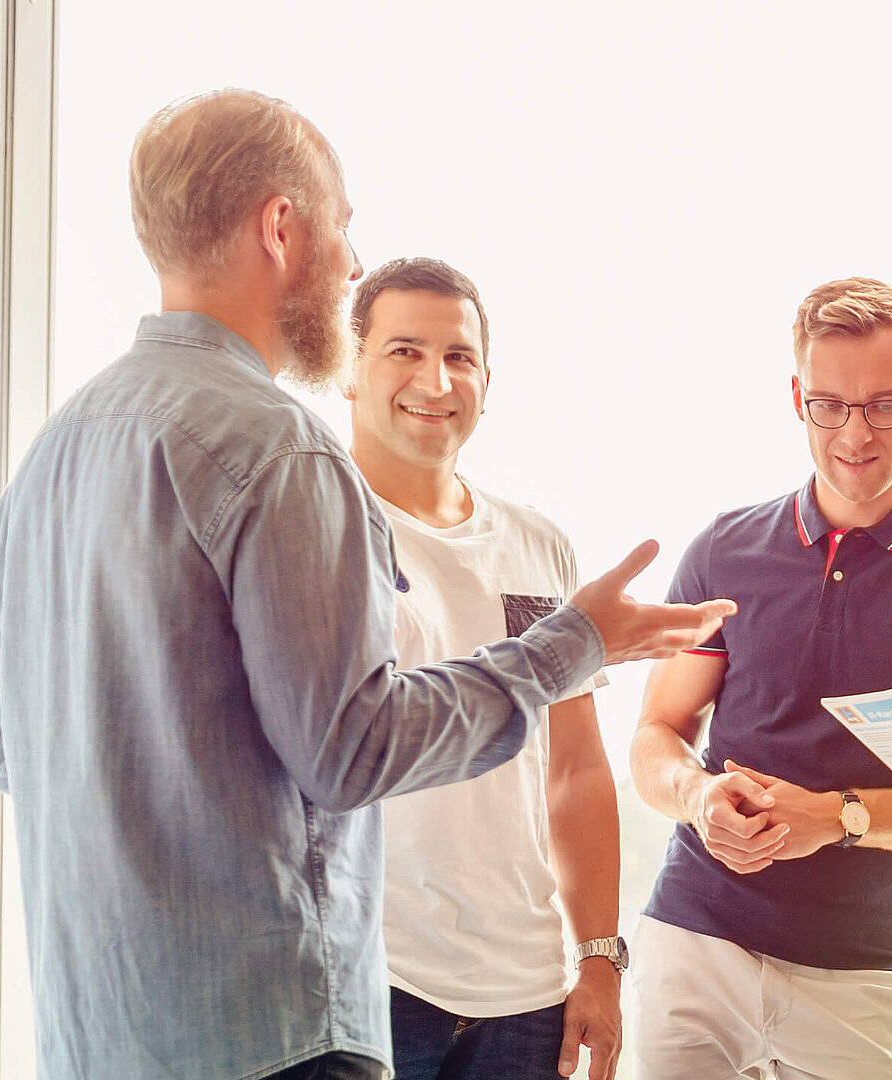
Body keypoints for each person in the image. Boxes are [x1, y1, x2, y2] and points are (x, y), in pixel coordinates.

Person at [0, 89, 731, 1080]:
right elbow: (351, 748)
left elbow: (8, 745)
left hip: (99, 1034)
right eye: (342, 228)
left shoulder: (53, 453)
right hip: (269, 1041)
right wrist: (573, 645)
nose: (348, 262)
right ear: (281, 227)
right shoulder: (279, 447)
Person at [628, 277, 892, 1079]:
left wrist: (838, 818)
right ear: (797, 398)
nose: (855, 434)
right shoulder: (723, 551)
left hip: (868, 969)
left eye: (884, 404)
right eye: (829, 405)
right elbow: (656, 735)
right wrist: (697, 797)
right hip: (696, 941)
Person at [343, 257, 623, 1080]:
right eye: (403, 351)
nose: (434, 378)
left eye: (458, 356)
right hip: (374, 981)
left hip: (528, 998)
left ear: (486, 381)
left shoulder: (540, 546)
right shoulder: (322, 533)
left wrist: (599, 960)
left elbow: (574, 770)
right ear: (350, 371)